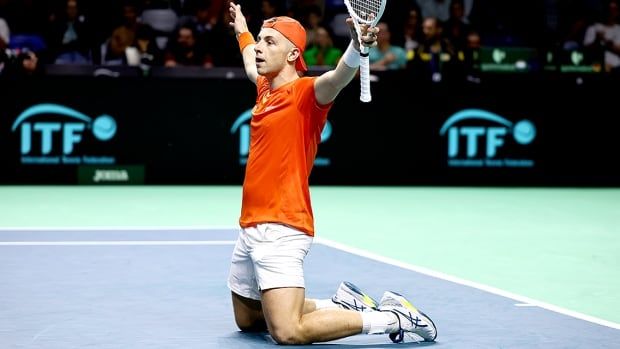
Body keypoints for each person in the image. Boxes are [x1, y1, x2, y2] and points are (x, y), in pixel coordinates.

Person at [225, 1, 438, 345]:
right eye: (261, 41)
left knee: (287, 331)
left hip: (282, 226)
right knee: (249, 319)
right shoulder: (265, 88)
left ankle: (392, 318)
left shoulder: (308, 94)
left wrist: (356, 46)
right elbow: (250, 59)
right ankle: (341, 305)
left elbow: (339, 76)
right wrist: (243, 30)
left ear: (293, 54)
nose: (261, 49)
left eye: (270, 42)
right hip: (250, 225)